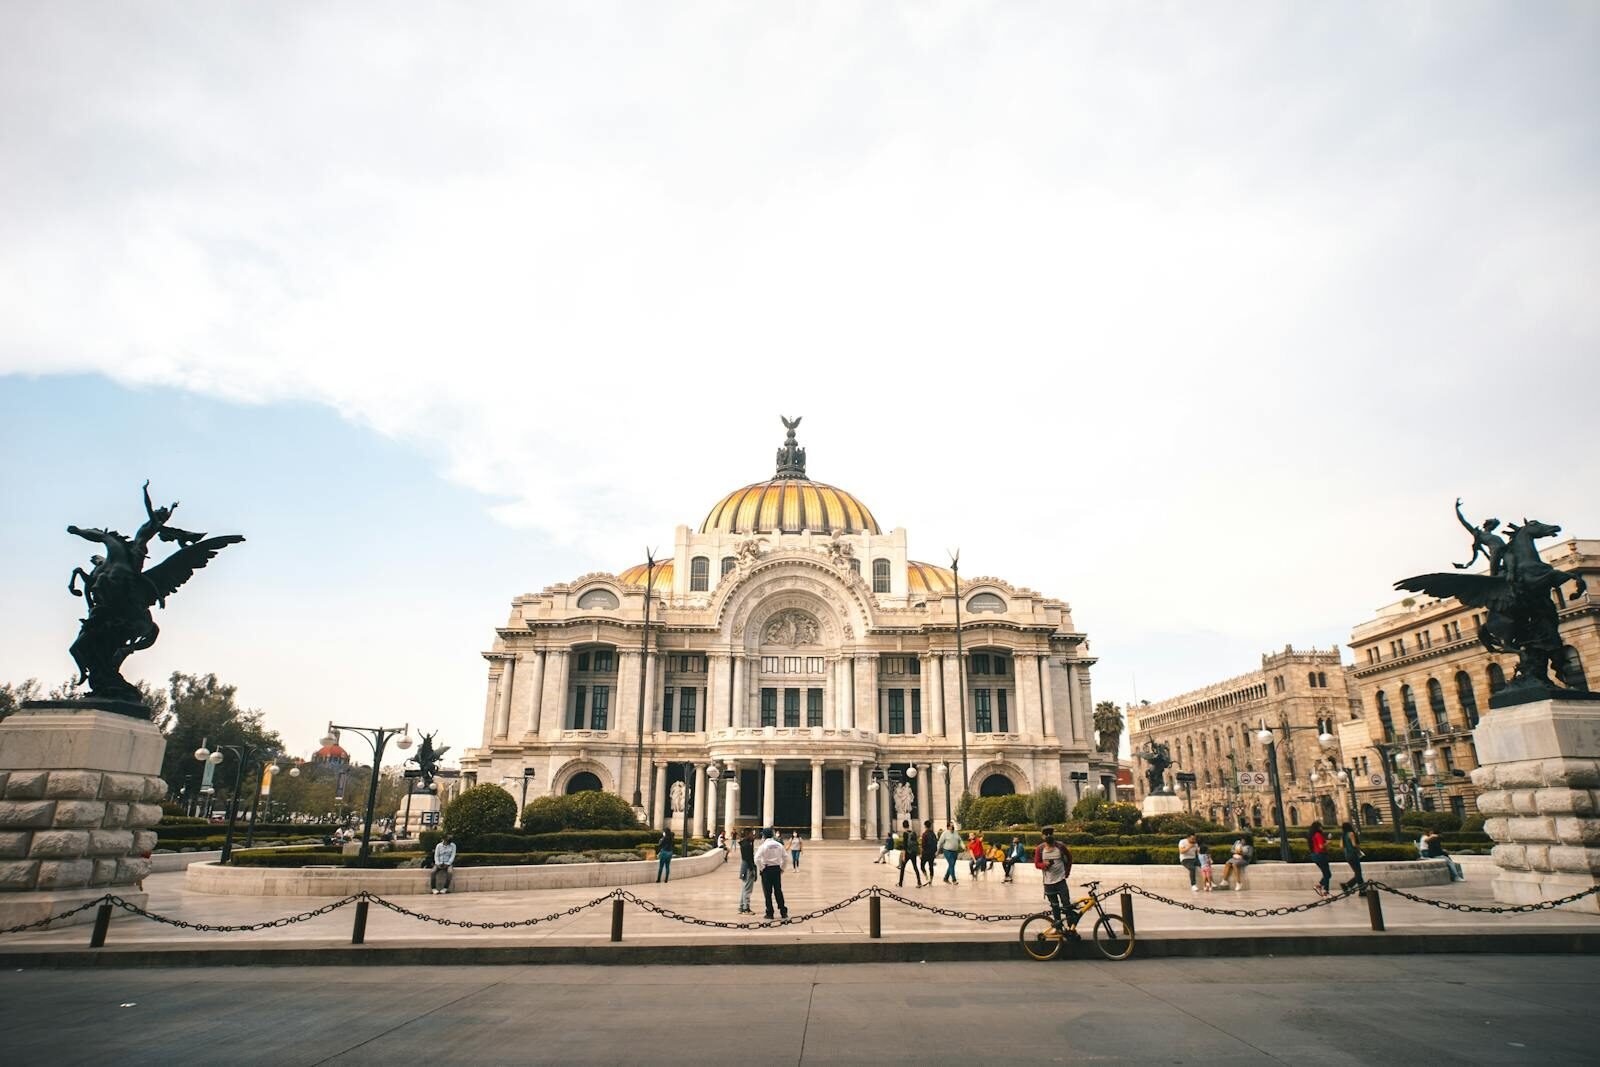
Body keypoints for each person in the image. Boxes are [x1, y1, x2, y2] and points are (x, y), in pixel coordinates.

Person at [1032, 826, 1078, 939]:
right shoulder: (1040, 849)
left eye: (1050, 834)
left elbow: (1069, 858)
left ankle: (1071, 929)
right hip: (1048, 883)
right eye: (1046, 834)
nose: (1048, 836)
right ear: (1042, 836)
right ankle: (1058, 928)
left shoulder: (1060, 847)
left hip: (1061, 881)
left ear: (1053, 835)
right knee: (1055, 906)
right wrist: (1044, 865)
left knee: (1067, 905)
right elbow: (1037, 864)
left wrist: (1067, 872)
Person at [754, 827, 789, 920]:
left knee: (767, 892)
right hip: (776, 869)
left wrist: (762, 868)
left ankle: (770, 912)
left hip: (767, 870)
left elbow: (756, 858)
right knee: (778, 891)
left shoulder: (763, 846)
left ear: (764, 836)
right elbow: (786, 857)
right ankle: (783, 911)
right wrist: (782, 868)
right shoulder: (779, 845)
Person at [1307, 821, 1333, 897]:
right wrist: (1328, 842)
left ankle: (1326, 891)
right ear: (1318, 827)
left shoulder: (1312, 835)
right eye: (1321, 826)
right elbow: (1321, 846)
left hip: (1315, 855)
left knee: (1326, 874)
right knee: (1327, 874)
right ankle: (1320, 886)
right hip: (1320, 855)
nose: (1322, 828)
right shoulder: (1318, 835)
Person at [1339, 821, 1365, 893]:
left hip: (1347, 855)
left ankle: (1362, 890)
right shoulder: (1351, 834)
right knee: (1358, 873)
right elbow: (1354, 844)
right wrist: (1358, 848)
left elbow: (1341, 846)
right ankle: (1348, 885)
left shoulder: (1343, 835)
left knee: (1357, 873)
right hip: (1353, 854)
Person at [736, 828, 758, 914]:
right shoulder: (747, 844)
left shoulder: (746, 843)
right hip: (748, 866)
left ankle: (742, 906)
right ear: (748, 834)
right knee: (748, 888)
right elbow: (748, 858)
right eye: (752, 834)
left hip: (744, 866)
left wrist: (752, 842)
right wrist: (752, 869)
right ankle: (746, 908)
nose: (753, 835)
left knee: (744, 887)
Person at [897, 820, 924, 887]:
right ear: (909, 825)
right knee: (915, 867)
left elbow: (904, 845)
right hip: (913, 853)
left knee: (902, 868)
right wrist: (919, 852)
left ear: (903, 826)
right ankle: (919, 882)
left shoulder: (905, 833)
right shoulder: (913, 832)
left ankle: (900, 883)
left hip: (907, 853)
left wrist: (903, 856)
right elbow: (917, 843)